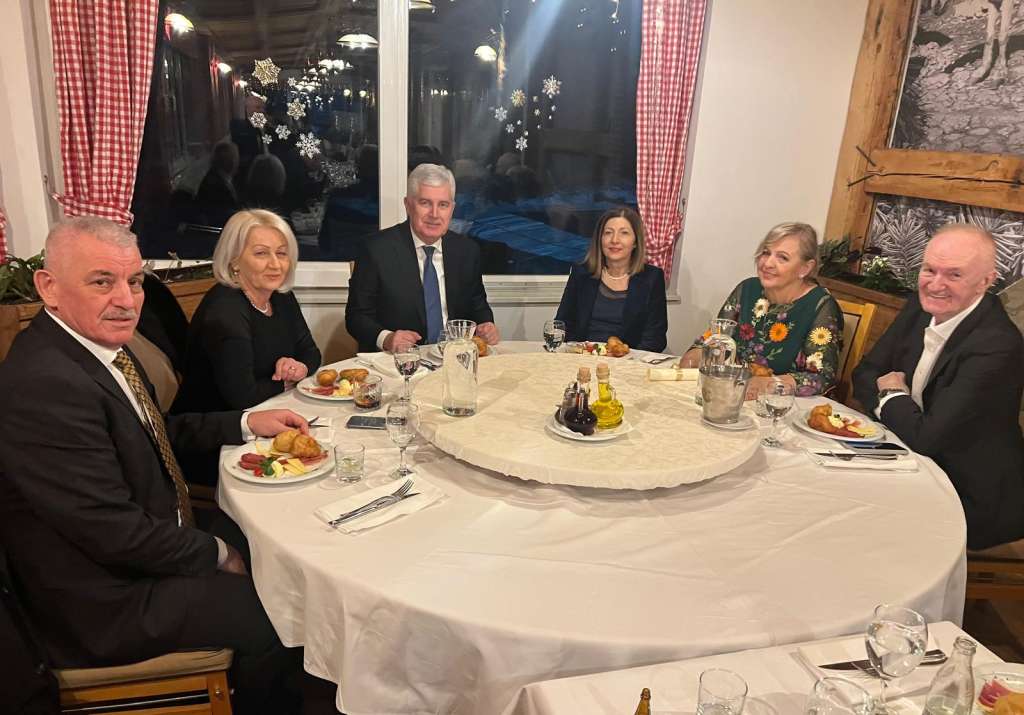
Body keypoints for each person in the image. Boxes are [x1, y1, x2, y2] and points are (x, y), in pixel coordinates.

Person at [0, 217, 312, 712]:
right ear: (48, 287)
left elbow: (156, 431)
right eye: (102, 281)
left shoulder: (97, 350)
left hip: (148, 536)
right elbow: (112, 531)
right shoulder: (46, 384)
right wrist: (216, 553)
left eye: (135, 281)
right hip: (103, 601)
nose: (126, 300)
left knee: (284, 550)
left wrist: (248, 421)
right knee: (280, 610)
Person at [853, 223, 1024, 550]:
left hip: (968, 491)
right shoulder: (920, 307)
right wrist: (902, 411)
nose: (935, 285)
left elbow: (926, 439)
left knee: (868, 532)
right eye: (929, 270)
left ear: (985, 281)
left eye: (954, 275)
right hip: (911, 462)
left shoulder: (997, 345)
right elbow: (864, 373)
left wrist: (891, 393)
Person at [174, 209, 321, 414]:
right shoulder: (225, 311)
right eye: (261, 253)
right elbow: (243, 397)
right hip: (216, 424)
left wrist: (298, 367)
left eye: (281, 253)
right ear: (234, 260)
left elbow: (311, 352)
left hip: (265, 411)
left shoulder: (280, 296)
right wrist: (288, 381)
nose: (275, 264)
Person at [346, 163, 499, 353]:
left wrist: (486, 325)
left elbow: (478, 306)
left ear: (452, 209)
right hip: (398, 360)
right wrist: (387, 338)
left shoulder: (467, 251)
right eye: (425, 203)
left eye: (443, 205)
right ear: (408, 205)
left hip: (454, 357)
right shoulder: (376, 249)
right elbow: (356, 317)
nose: (434, 214)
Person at [680, 222, 844, 398]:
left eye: (783, 258)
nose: (768, 263)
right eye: (766, 253)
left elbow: (822, 377)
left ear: (805, 268)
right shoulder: (747, 289)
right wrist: (697, 355)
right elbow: (716, 338)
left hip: (783, 405)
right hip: (733, 395)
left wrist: (770, 384)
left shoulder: (821, 305)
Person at [554, 207, 668, 352]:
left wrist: (626, 359)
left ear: (635, 242)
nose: (615, 240)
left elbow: (655, 338)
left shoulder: (652, 278)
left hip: (627, 359)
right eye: (608, 233)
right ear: (600, 239)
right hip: (583, 356)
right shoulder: (581, 273)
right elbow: (562, 325)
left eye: (624, 233)